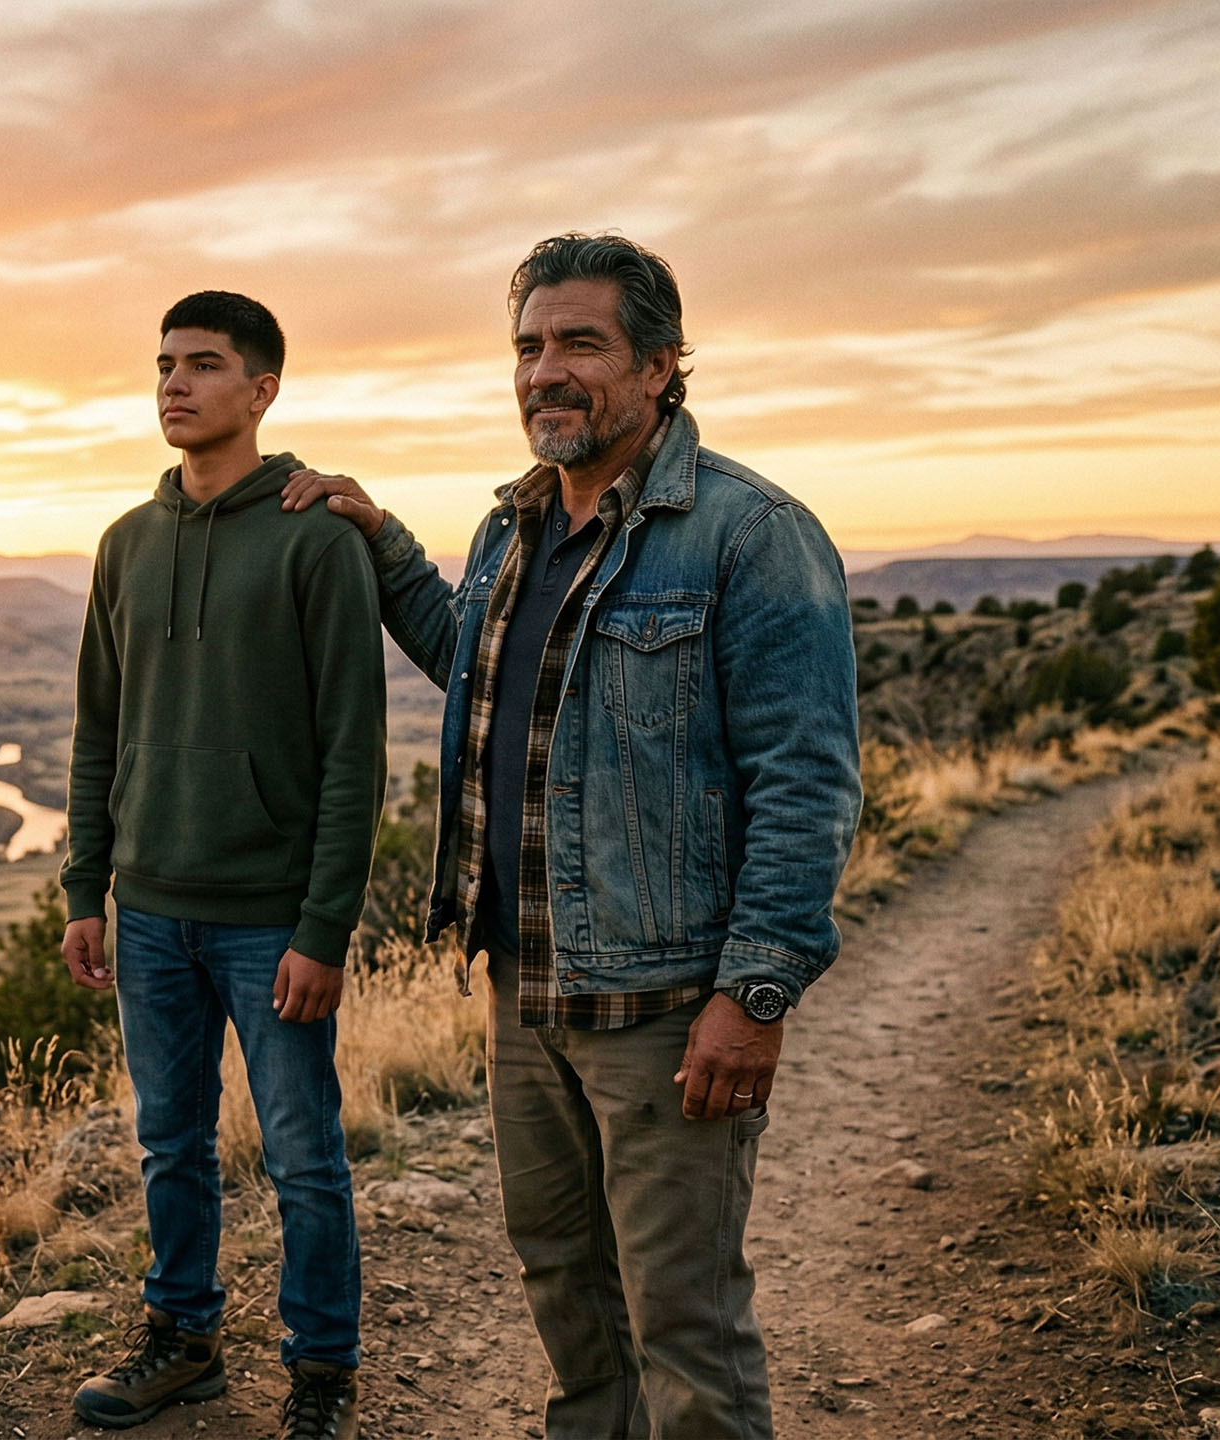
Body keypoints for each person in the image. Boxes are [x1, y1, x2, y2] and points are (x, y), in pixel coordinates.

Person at [279, 234, 861, 1439]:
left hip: (660, 1000)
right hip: (523, 986)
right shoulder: (511, 529)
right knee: (564, 1290)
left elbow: (805, 782)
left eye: (579, 343)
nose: (546, 370)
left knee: (682, 1322)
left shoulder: (748, 534)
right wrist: (386, 544)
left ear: (658, 365)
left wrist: (753, 995)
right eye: (529, 346)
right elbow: (477, 673)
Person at [59, 290, 386, 1438]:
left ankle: (321, 1377)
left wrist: (323, 927)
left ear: (262, 389)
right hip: (148, 911)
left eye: (203, 365)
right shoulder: (125, 545)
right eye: (162, 365)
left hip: (268, 922)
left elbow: (355, 748)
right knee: (170, 1144)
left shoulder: (315, 539)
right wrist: (84, 888)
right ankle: (183, 1339)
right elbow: (99, 728)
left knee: (302, 1155)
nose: (174, 384)